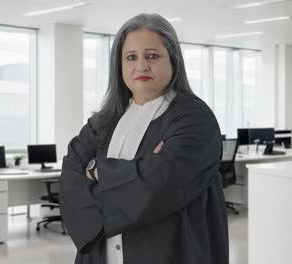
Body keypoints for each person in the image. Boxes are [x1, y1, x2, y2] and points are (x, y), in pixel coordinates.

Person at [60, 13, 229, 264]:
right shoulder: (103, 121)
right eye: (131, 57)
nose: (141, 66)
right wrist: (131, 176)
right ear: (119, 65)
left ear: (173, 61)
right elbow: (70, 180)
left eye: (152, 56)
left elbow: (159, 184)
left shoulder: (194, 118)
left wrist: (97, 171)